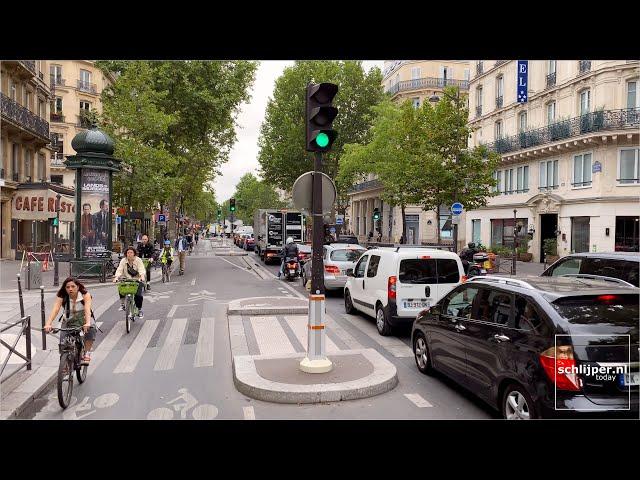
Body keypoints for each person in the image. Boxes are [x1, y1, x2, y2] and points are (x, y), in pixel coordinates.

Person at [44, 277, 97, 366]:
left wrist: (87, 323)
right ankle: (64, 363)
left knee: (91, 329)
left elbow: (87, 309)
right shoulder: (62, 296)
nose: (70, 289)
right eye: (67, 287)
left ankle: (87, 352)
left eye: (73, 286)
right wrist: (48, 324)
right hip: (68, 320)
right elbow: (55, 310)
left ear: (78, 287)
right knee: (63, 343)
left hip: (83, 318)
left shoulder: (85, 295)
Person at [113, 246, 146, 318]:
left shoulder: (138, 260)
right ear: (126, 254)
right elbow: (119, 269)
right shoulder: (123, 260)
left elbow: (141, 269)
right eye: (128, 253)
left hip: (137, 279)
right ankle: (122, 305)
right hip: (126, 279)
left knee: (138, 295)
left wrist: (142, 276)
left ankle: (139, 309)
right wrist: (116, 277)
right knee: (121, 288)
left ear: (134, 253)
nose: (129, 254)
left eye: (131, 252)